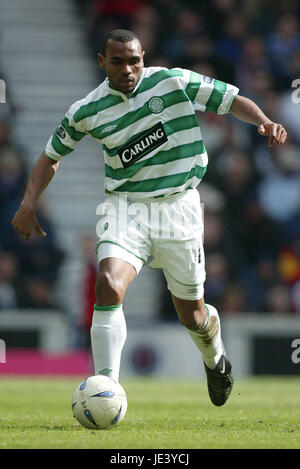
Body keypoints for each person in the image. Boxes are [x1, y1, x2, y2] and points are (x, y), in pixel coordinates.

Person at [11, 29, 287, 407]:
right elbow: (51, 156)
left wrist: (264, 121)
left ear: (144, 57)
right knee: (107, 284)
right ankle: (105, 389)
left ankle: (215, 359)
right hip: (126, 208)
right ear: (101, 62)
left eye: (134, 60)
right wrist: (28, 203)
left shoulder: (171, 80)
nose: (127, 69)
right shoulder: (86, 111)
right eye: (118, 61)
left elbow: (229, 99)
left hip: (180, 207)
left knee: (192, 315)